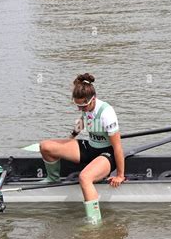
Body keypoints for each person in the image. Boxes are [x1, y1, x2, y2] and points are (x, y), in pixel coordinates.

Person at [39, 73, 125, 225]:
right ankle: (52, 179)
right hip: (90, 147)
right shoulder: (86, 107)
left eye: (83, 106)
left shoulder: (106, 113)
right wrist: (70, 138)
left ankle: (94, 223)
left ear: (94, 98)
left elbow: (118, 147)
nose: (80, 108)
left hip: (107, 154)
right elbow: (83, 120)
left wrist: (120, 175)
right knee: (46, 147)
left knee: (84, 178)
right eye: (77, 105)